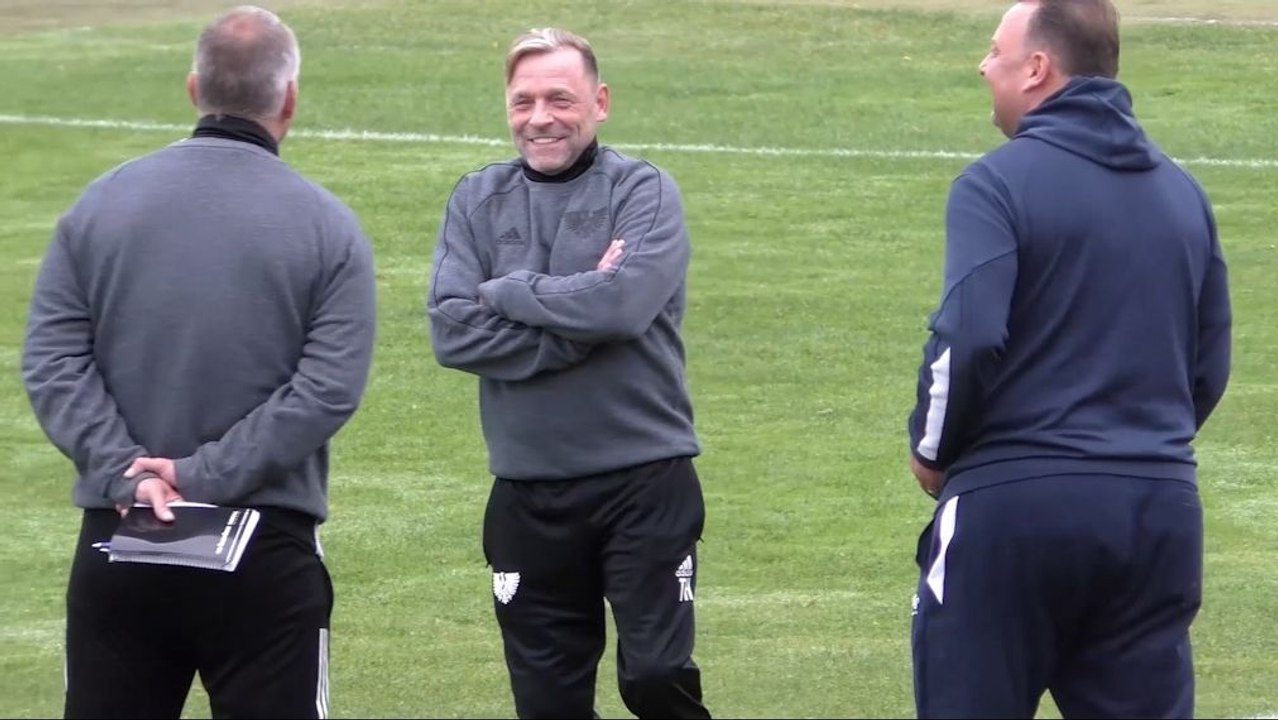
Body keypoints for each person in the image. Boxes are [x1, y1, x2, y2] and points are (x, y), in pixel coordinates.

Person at [21, 5, 376, 718]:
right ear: (290, 98)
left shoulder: (98, 207)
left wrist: (127, 469)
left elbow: (52, 359)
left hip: (121, 537)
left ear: (193, 89)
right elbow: (326, 391)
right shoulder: (328, 227)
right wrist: (199, 475)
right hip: (263, 553)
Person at [905, 0, 1231, 717]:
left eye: (995, 51)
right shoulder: (1185, 196)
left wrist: (930, 450)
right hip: (1157, 511)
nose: (983, 65)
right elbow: (1207, 367)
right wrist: (1135, 445)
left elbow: (968, 335)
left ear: (1038, 69)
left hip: (1013, 513)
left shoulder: (994, 184)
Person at [427, 27, 709, 720]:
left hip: (645, 483)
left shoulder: (643, 191)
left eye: (560, 97)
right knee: (547, 704)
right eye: (523, 101)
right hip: (528, 494)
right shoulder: (476, 199)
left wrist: (508, 290)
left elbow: (621, 305)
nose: (540, 117)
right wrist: (576, 326)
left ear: (600, 101)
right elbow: (451, 331)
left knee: (656, 678)